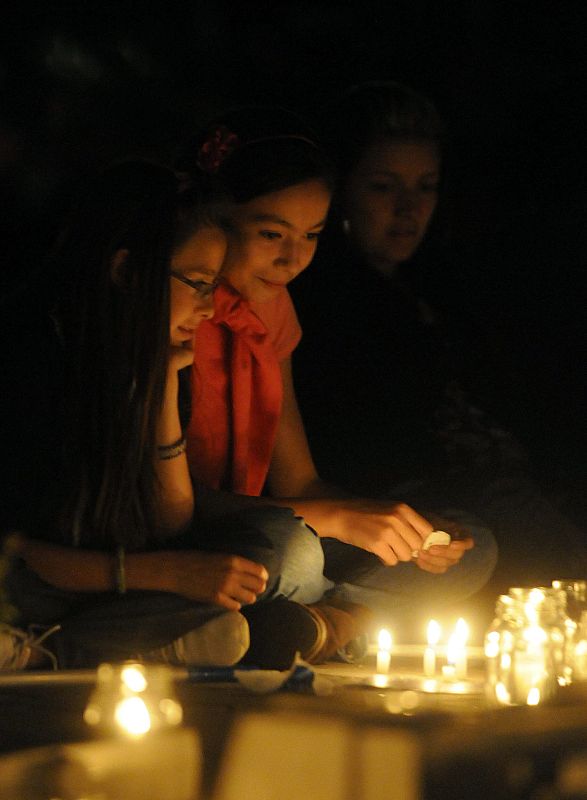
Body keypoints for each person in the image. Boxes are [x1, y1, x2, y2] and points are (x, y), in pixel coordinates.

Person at [177, 106, 497, 649]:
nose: (292, 259)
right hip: (197, 540)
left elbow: (299, 482)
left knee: (475, 544)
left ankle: (317, 625)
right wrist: (334, 518)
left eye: (312, 236)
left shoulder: (275, 314)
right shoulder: (180, 310)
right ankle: (339, 621)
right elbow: (175, 501)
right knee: (294, 550)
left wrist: (396, 525)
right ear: (216, 219)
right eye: (272, 233)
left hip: (271, 527)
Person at [0, 159, 302, 669]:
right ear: (126, 272)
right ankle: (65, 648)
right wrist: (166, 575)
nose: (209, 309)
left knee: (285, 544)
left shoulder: (145, 357)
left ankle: (53, 647)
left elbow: (170, 519)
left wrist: (163, 389)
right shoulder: (31, 360)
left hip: (105, 586)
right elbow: (19, 552)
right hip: (35, 582)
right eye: (199, 283)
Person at [290, 80, 587, 594]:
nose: (408, 209)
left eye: (425, 186)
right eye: (383, 187)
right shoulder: (316, 307)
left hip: (508, 488)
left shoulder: (448, 288)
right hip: (426, 504)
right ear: (340, 190)